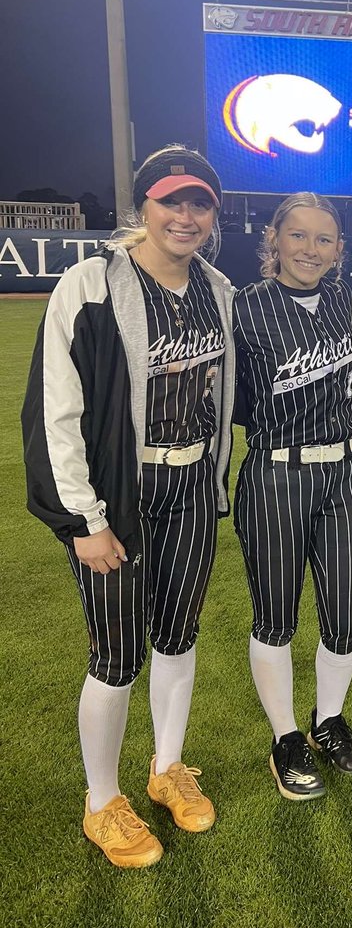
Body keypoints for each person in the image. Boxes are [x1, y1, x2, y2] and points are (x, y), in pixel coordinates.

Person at [22, 145, 235, 868]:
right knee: (116, 656)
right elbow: (54, 410)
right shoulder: (90, 284)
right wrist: (82, 519)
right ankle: (102, 801)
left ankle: (167, 767)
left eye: (199, 203)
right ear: (143, 205)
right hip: (118, 496)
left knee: (178, 637)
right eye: (171, 200)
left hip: (191, 486)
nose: (185, 215)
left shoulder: (217, 290)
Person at [233, 194, 352, 801]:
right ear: (274, 239)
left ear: (339, 249)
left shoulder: (346, 300)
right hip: (275, 475)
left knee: (345, 614)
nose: (310, 249)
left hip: (342, 474)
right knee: (276, 615)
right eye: (298, 235)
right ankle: (286, 736)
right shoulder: (244, 305)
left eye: (323, 239)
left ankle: (328, 720)